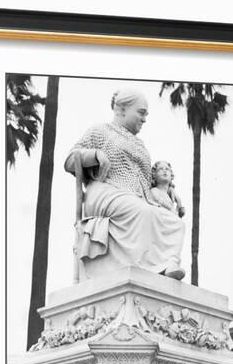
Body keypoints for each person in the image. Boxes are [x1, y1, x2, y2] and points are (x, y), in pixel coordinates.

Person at [64, 88, 185, 281]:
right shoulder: (100, 131)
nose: (144, 119)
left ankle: (167, 264)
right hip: (106, 190)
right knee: (142, 212)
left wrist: (169, 190)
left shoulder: (141, 145)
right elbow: (71, 160)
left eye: (146, 114)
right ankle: (146, 268)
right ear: (121, 109)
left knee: (176, 223)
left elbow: (149, 182)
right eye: (141, 112)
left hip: (139, 198)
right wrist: (95, 155)